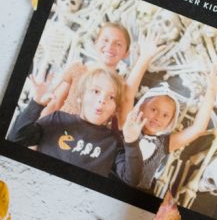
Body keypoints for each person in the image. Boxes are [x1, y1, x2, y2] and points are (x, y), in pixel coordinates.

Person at [9, 67, 142, 182]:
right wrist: (36, 103)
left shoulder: (114, 141)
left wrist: (132, 142)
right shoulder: (57, 120)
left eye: (111, 97)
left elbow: (132, 179)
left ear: (115, 109)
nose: (102, 100)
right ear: (81, 96)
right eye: (96, 91)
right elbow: (16, 139)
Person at [41, 24, 163, 124]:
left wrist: (144, 57)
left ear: (126, 53)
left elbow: (127, 98)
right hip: (58, 130)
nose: (110, 46)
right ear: (95, 43)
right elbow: (54, 104)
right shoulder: (78, 69)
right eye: (105, 40)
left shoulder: (119, 86)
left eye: (118, 44)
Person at [122, 69, 217, 191]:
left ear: (170, 122)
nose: (158, 117)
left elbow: (198, 128)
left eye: (165, 115)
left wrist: (211, 92)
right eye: (154, 109)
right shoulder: (126, 127)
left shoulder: (164, 143)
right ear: (141, 107)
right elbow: (127, 96)